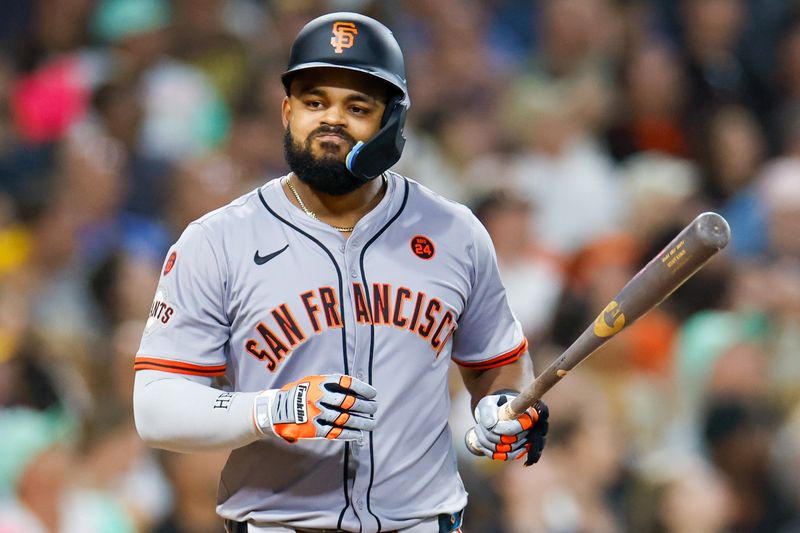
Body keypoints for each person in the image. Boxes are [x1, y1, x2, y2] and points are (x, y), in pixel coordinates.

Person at [132, 12, 549, 533]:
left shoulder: (454, 231)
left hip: (421, 523)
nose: (331, 120)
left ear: (391, 121)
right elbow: (156, 408)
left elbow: (498, 364)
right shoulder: (217, 240)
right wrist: (271, 409)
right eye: (314, 102)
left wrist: (506, 406)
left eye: (357, 106)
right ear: (286, 111)